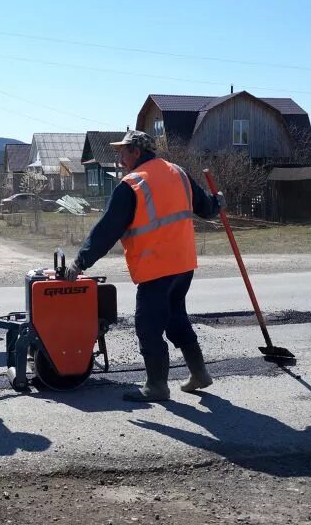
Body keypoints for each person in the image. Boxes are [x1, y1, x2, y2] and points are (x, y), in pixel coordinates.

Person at [66, 130, 225, 402]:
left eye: (123, 152)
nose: (119, 158)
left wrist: (81, 261)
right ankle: (199, 374)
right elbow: (206, 208)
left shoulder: (133, 184)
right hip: (183, 265)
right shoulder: (178, 172)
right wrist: (217, 202)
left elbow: (107, 230)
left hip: (156, 268)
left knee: (148, 327)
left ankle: (156, 386)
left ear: (137, 152)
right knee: (175, 318)